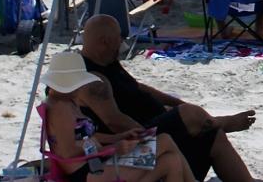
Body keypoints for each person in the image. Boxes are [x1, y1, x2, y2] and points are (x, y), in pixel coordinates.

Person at [78, 14, 257, 182]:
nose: (122, 42)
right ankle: (221, 122)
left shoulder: (108, 61)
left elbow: (139, 88)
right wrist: (149, 137)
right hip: (138, 140)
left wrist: (177, 105)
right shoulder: (92, 79)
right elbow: (115, 121)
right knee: (189, 115)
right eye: (119, 37)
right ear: (104, 41)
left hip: (155, 126)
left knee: (212, 134)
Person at [43, 50, 195, 181]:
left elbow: (84, 136)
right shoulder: (60, 108)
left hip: (94, 163)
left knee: (171, 161)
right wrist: (113, 148)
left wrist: (119, 137)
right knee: (165, 141)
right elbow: (68, 152)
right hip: (87, 172)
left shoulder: (65, 100)